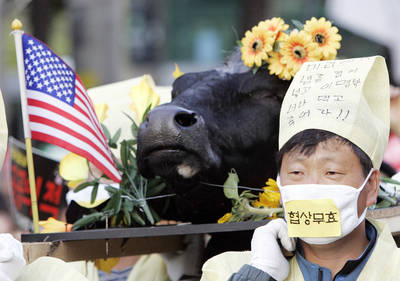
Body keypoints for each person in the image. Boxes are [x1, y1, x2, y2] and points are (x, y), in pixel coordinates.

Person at [200, 56, 400, 281]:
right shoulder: (226, 270)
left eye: (331, 172)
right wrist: (260, 272)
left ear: (371, 185)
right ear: (279, 184)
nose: (311, 186)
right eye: (296, 173)